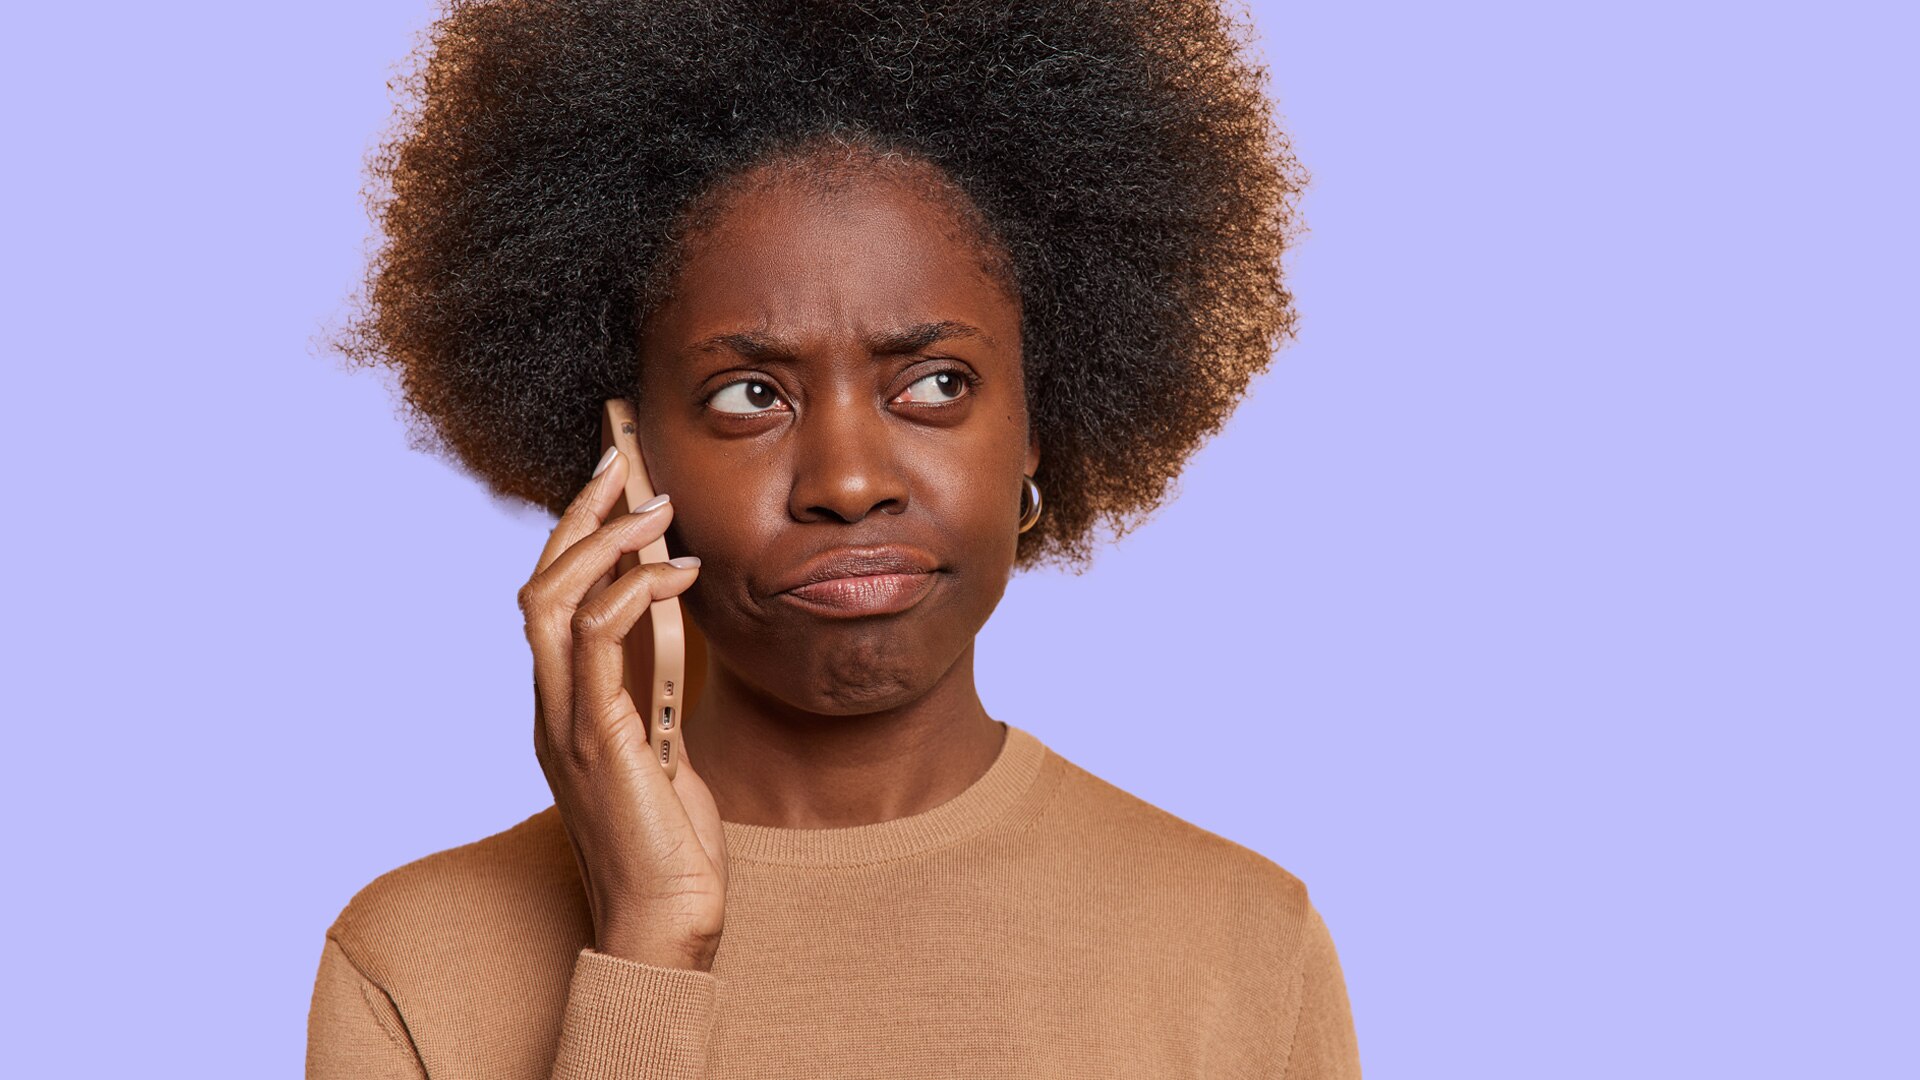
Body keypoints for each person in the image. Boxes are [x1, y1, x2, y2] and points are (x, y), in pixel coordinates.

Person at [309, 1, 1358, 1076]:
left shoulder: (1246, 948)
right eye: (749, 393)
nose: (850, 483)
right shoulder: (413, 966)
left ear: (1040, 424)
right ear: (628, 454)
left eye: (936, 383)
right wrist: (650, 944)